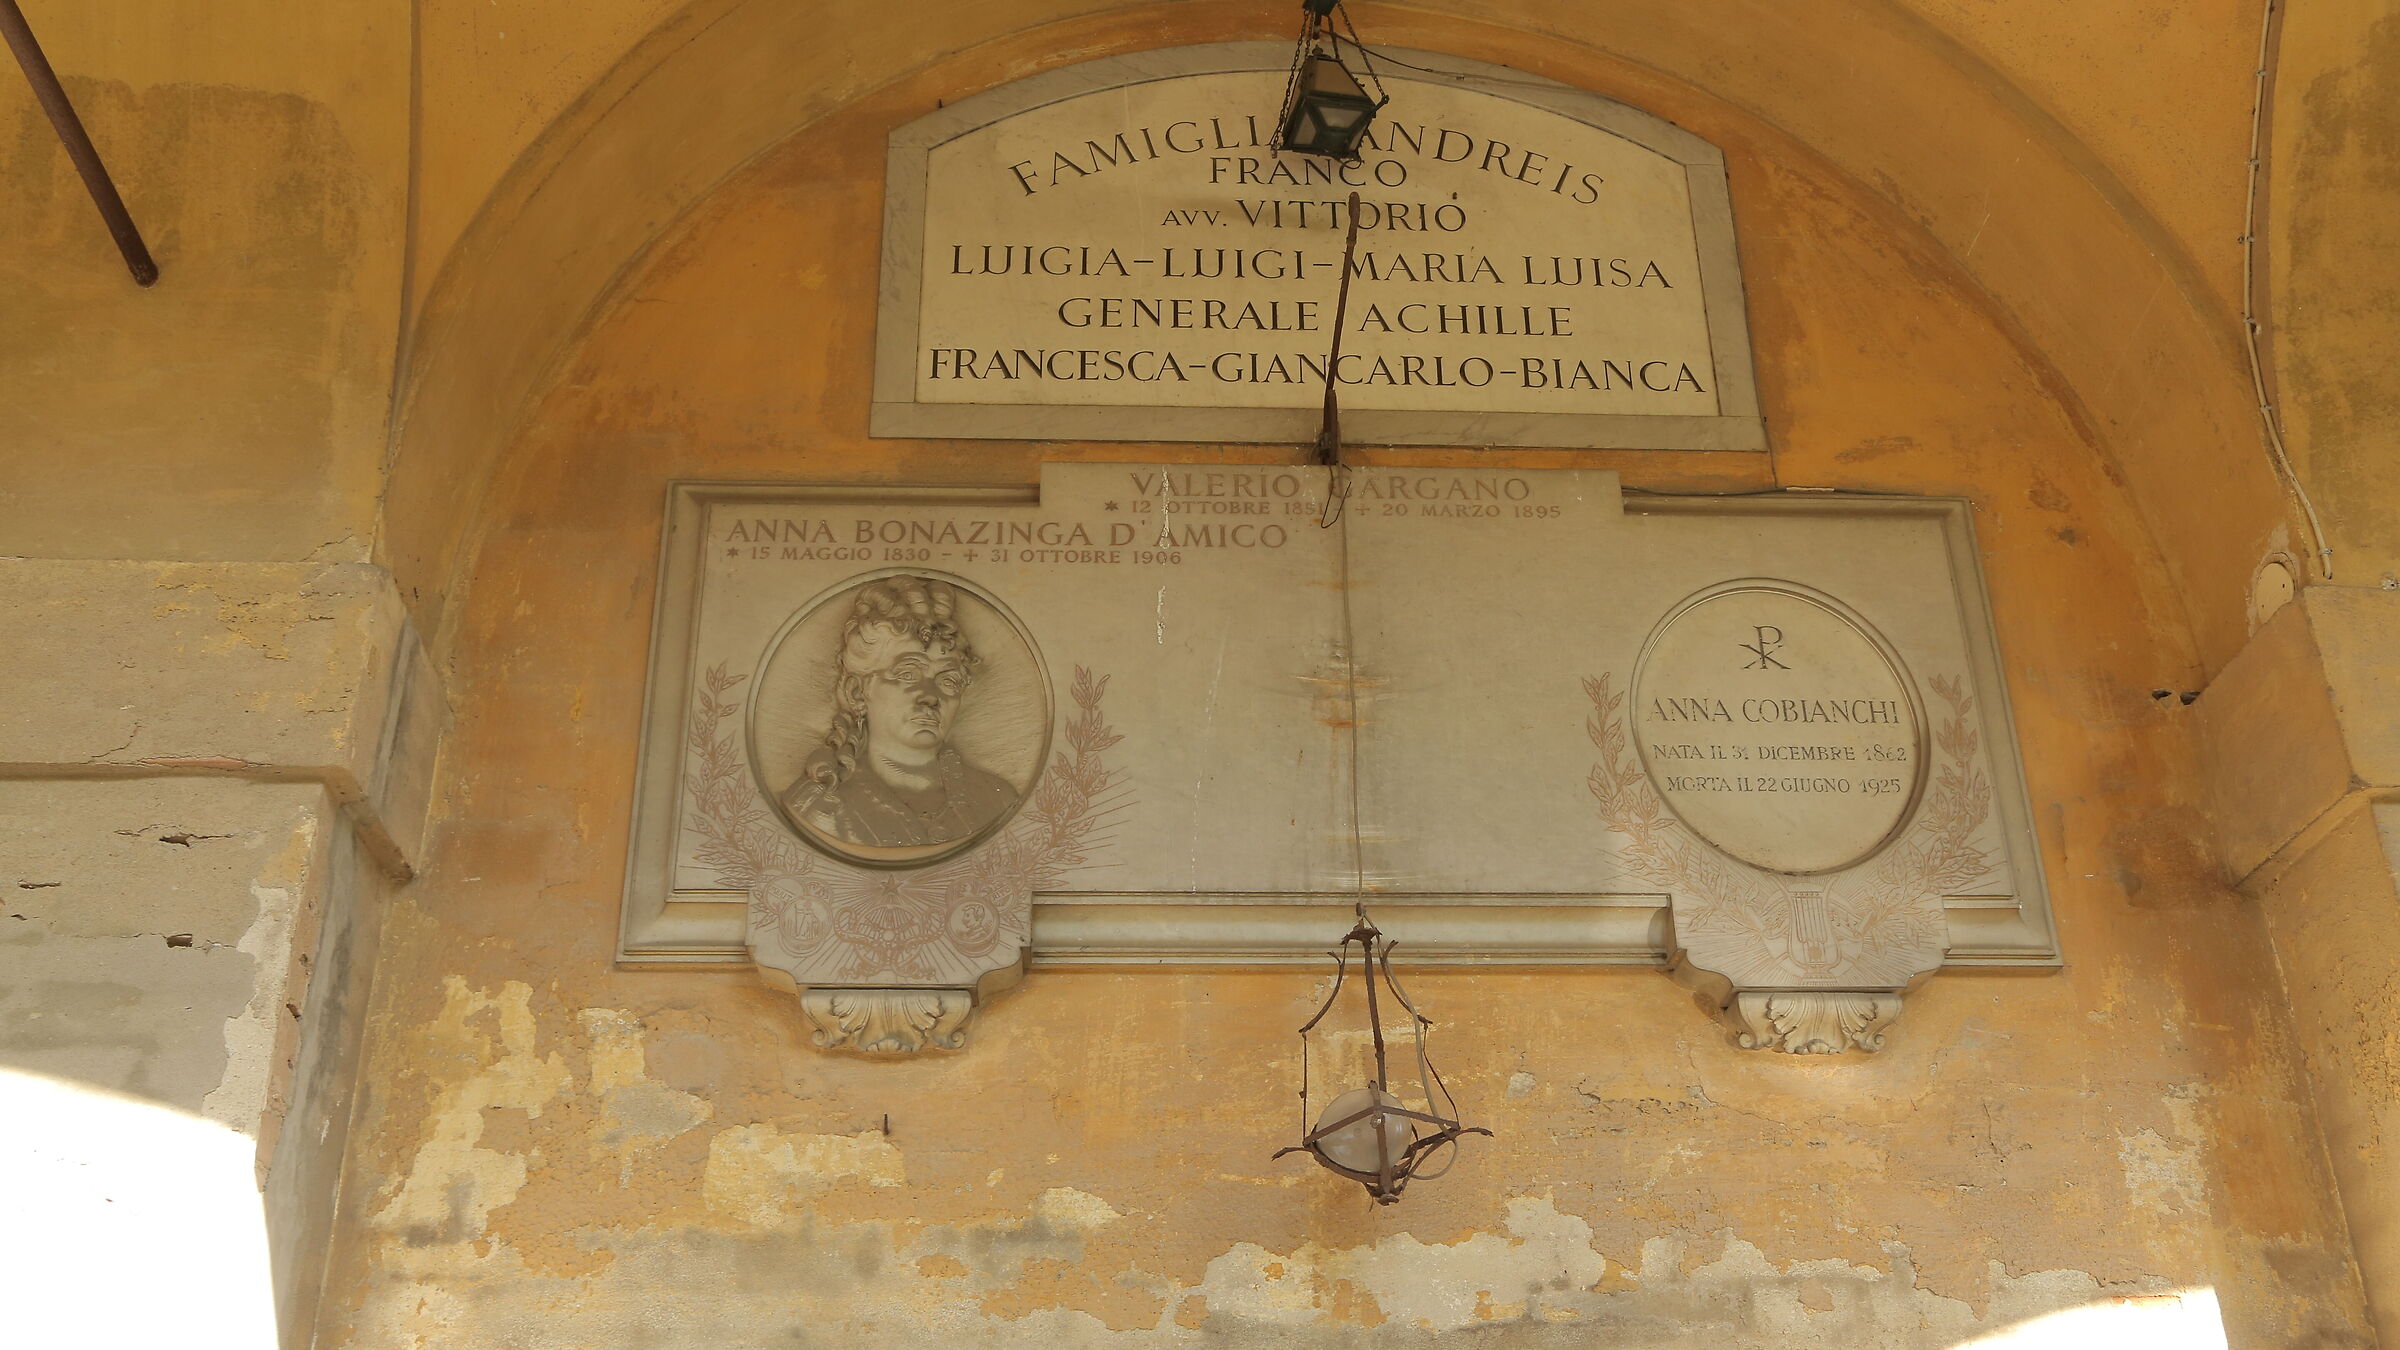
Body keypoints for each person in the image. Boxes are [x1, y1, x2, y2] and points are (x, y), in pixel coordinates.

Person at [782, 575, 1020, 850]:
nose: (931, 696)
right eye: (907, 674)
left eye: (948, 680)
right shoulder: (819, 809)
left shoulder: (997, 800)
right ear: (857, 692)